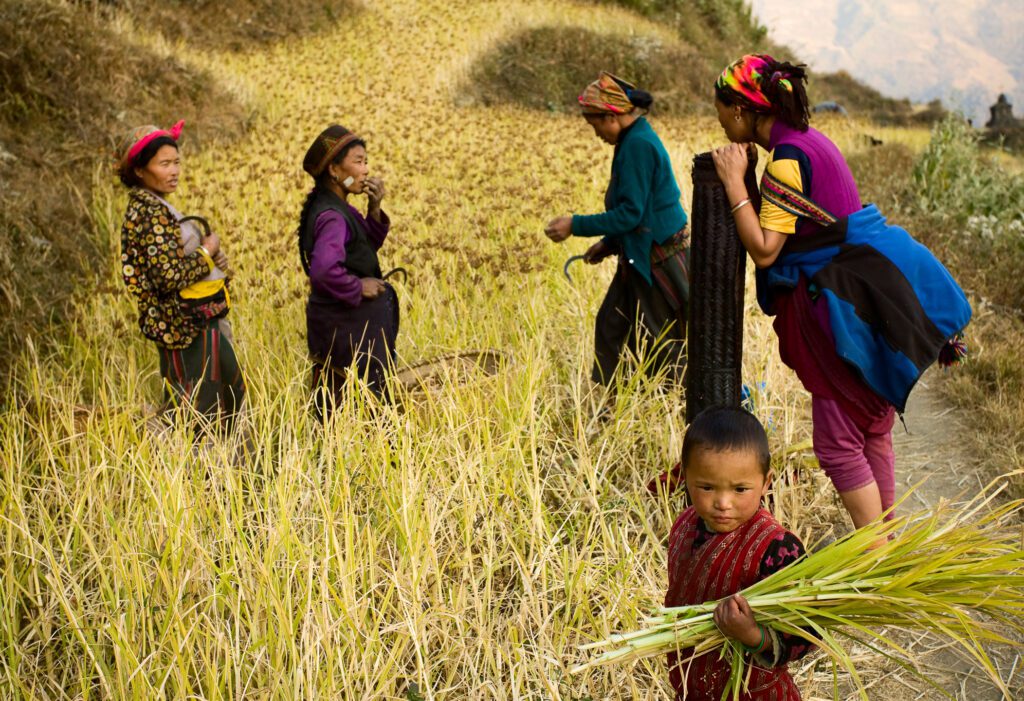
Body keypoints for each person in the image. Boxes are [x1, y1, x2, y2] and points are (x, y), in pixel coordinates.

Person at [709, 55, 970, 529]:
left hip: (838, 314)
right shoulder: (809, 141)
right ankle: (889, 542)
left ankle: (875, 553)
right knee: (872, 428)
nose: (721, 120)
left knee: (837, 442)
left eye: (723, 109)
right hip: (865, 301)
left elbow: (766, 250)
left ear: (743, 111)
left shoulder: (787, 160)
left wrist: (733, 184)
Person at [544, 72, 690, 388]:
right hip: (640, 254)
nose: (594, 132)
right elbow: (638, 211)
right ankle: (612, 403)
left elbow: (631, 215)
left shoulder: (637, 145)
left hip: (658, 261)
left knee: (660, 342)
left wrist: (575, 225)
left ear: (611, 116)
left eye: (594, 123)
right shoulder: (631, 140)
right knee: (612, 326)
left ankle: (677, 407)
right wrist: (609, 244)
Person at [665, 407, 813, 700]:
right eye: (706, 487)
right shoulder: (684, 526)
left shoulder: (778, 550)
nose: (722, 502)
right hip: (693, 684)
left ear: (766, 483)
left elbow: (807, 632)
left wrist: (753, 635)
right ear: (684, 476)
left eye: (740, 489)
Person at [116, 120, 245, 428]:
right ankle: (194, 468)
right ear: (139, 170)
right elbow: (167, 276)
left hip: (197, 319)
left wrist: (209, 256)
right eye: (164, 164)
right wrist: (206, 252)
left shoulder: (158, 207)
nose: (174, 171)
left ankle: (216, 464)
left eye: (176, 163)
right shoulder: (148, 213)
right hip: (183, 325)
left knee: (223, 392)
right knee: (198, 406)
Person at [297, 124, 397, 416]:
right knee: (361, 405)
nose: (365, 170)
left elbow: (361, 251)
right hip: (347, 329)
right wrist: (357, 287)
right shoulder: (333, 217)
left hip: (344, 326)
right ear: (334, 170)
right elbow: (324, 271)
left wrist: (375, 208)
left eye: (365, 162)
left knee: (343, 403)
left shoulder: (338, 207)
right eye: (358, 161)